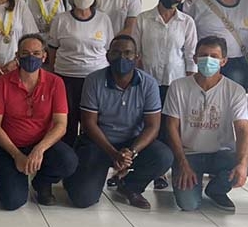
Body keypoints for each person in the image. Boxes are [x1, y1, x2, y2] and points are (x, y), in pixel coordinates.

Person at [63, 35, 173, 209]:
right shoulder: (93, 80)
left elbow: (153, 126)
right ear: (108, 56)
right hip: (99, 143)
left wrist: (131, 152)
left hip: (132, 144)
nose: (122, 58)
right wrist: (113, 153)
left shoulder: (149, 84)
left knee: (163, 156)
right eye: (116, 53)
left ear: (137, 57)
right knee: (82, 199)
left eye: (128, 53)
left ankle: (130, 187)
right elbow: (88, 123)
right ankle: (76, 179)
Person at [163, 36, 248, 211]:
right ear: (195, 58)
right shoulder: (178, 86)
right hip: (188, 154)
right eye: (203, 55)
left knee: (245, 164)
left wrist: (242, 164)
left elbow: (243, 129)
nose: (208, 60)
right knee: (188, 205)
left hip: (221, 154)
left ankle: (216, 190)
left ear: (224, 61)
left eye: (214, 56)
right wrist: (182, 163)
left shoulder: (235, 91)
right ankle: (189, 181)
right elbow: (171, 126)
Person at [0, 34, 76, 209]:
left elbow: (61, 125)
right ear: (17, 56)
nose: (31, 57)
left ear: (44, 56)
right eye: (25, 53)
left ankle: (42, 182)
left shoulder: (56, 82)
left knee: (68, 161)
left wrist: (39, 149)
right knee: (12, 202)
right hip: (10, 147)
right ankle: (16, 174)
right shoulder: (2, 83)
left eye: (36, 53)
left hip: (43, 144)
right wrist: (17, 155)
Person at [46, 0, 115, 146]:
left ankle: (88, 156)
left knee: (92, 123)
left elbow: (108, 49)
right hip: (66, 78)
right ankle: (67, 155)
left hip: (96, 79)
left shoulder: (103, 19)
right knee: (67, 121)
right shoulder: (61, 19)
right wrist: (53, 72)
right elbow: (52, 49)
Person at [131, 0, 198, 102]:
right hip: (147, 81)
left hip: (176, 82)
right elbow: (135, 52)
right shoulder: (142, 19)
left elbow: (191, 55)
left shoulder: (187, 22)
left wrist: (190, 84)